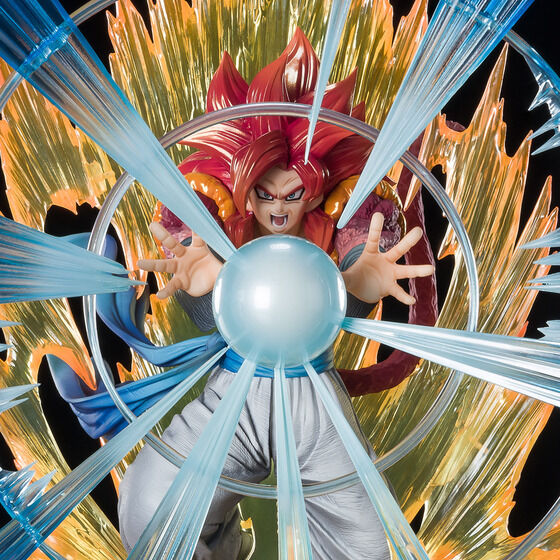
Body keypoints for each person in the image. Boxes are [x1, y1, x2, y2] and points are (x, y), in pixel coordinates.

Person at [118, 30, 433, 559]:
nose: (278, 209)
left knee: (371, 547)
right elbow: (208, 310)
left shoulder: (342, 219)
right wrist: (205, 291)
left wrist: (358, 287)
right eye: (264, 195)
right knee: (150, 512)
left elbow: (355, 267)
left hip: (314, 402)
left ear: (316, 190)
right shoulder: (217, 224)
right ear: (244, 189)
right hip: (235, 392)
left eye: (293, 195)